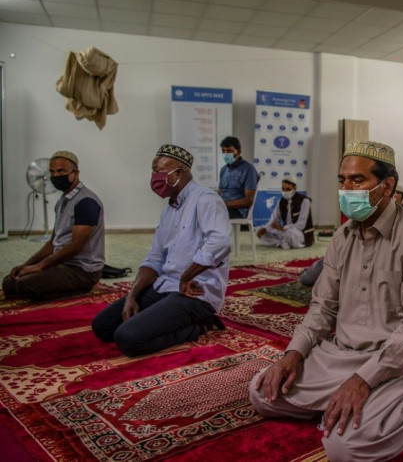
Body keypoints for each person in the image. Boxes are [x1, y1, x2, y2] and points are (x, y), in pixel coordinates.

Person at [250, 140, 403, 461]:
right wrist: (294, 353)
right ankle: (361, 399)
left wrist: (363, 380)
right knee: (263, 392)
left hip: (401, 361)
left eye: (357, 180)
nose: (346, 188)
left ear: (387, 186)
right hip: (342, 355)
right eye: (342, 180)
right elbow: (323, 307)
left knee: (346, 448)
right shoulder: (343, 238)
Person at [91, 144, 230, 357]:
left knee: (127, 338)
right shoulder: (169, 210)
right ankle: (163, 315)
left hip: (196, 293)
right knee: (103, 326)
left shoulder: (206, 199)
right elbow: (155, 257)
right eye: (153, 171)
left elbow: (220, 242)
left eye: (159, 171)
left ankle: (201, 324)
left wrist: (186, 276)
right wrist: (132, 295)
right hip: (165, 285)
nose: (155, 177)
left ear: (180, 172)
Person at [2, 151, 104, 301]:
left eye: (61, 171)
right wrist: (27, 265)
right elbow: (52, 243)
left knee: (24, 284)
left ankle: (81, 289)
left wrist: (40, 266)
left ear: (75, 173)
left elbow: (76, 246)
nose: (55, 176)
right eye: (52, 171)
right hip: (62, 263)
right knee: (10, 283)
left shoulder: (86, 202)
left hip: (81, 270)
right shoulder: (63, 201)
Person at [257, 176, 314, 250]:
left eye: (288, 189)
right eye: (283, 189)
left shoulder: (304, 201)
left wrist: (282, 228)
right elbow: (274, 219)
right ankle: (282, 242)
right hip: (284, 230)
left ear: (295, 188)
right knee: (261, 232)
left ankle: (279, 241)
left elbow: (301, 225)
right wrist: (266, 228)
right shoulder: (281, 202)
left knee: (289, 233)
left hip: (300, 234)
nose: (285, 191)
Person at [218, 136, 258, 219]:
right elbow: (220, 193)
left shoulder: (249, 170)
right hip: (222, 207)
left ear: (238, 151)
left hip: (237, 211)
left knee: (212, 216)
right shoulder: (223, 170)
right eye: (223, 151)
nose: (225, 154)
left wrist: (225, 204)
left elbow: (249, 200)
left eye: (229, 151)